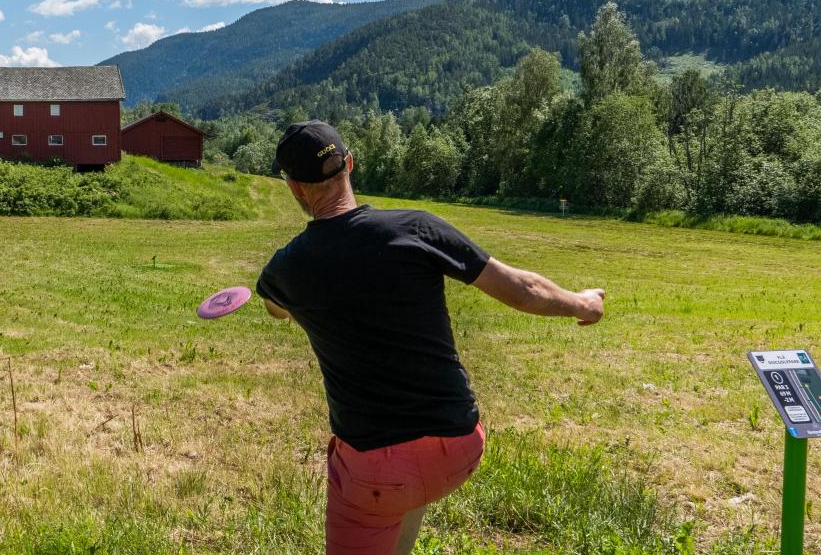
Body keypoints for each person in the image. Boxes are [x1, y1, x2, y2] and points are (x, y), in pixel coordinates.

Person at [255, 121, 606, 555]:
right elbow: (522, 289)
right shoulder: (416, 229)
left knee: (386, 487)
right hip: (457, 444)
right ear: (350, 164)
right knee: (408, 483)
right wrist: (583, 303)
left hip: (376, 471)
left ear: (293, 188)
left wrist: (287, 304)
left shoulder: (284, 270)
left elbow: (275, 308)